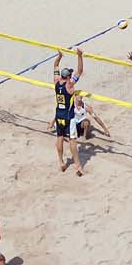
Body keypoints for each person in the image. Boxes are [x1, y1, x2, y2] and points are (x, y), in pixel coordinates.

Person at [53, 47, 86, 176]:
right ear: (68, 77)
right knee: (73, 140)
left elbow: (55, 65)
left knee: (59, 138)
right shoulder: (69, 85)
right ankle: (77, 165)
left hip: (58, 115)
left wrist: (59, 56)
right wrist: (79, 56)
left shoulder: (56, 82)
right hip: (68, 116)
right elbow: (80, 71)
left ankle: (61, 161)